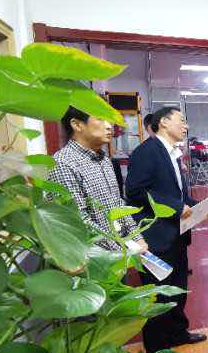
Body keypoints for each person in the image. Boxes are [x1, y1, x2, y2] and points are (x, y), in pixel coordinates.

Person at [126, 106, 208, 353]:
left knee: (177, 288)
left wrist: (198, 207)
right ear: (163, 122)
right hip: (156, 237)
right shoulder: (147, 152)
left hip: (177, 235)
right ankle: (158, 351)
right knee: (158, 294)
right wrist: (176, 207)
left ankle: (178, 333)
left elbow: (177, 194)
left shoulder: (173, 154)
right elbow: (136, 191)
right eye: (181, 121)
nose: (185, 126)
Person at [49, 106, 146, 253]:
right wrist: (120, 252)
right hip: (95, 257)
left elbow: (117, 203)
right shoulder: (64, 163)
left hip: (121, 250)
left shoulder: (104, 160)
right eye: (101, 119)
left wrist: (137, 237)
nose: (109, 126)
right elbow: (78, 220)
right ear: (77, 125)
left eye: (109, 120)